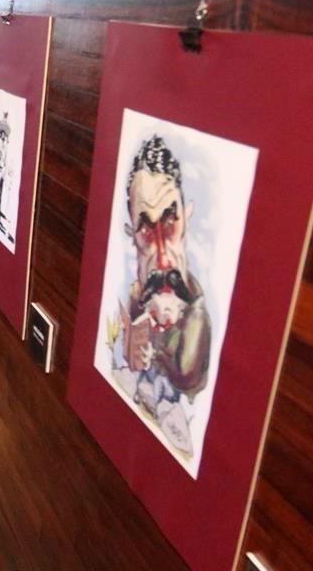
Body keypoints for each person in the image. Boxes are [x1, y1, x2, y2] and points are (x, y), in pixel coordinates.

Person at [119, 135, 211, 418]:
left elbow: (186, 374)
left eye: (170, 223)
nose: (162, 258)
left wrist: (155, 356)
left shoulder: (196, 314)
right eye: (146, 231)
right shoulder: (135, 300)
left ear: (186, 218)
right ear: (131, 235)